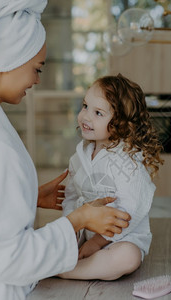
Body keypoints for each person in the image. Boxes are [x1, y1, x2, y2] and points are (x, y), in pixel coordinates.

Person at [0, 1, 130, 299]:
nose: (36, 80)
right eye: (36, 69)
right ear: (10, 57)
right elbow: (10, 259)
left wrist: (27, 195)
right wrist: (79, 219)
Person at [57, 74, 163, 281]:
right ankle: (71, 261)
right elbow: (70, 198)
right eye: (85, 106)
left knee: (128, 257)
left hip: (121, 239)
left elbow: (130, 211)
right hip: (85, 234)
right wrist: (72, 231)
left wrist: (96, 243)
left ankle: (68, 271)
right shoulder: (78, 158)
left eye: (98, 113)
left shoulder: (129, 161)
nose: (85, 116)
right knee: (53, 236)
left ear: (121, 123)